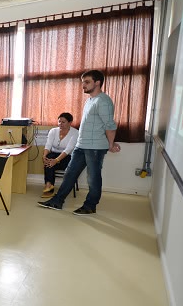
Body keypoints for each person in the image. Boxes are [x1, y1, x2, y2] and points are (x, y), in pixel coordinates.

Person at [38, 70, 121, 215]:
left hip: (95, 147)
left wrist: (110, 144)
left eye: (87, 82)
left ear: (97, 83)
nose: (83, 85)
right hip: (81, 145)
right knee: (70, 174)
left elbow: (110, 125)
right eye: (83, 82)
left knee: (93, 177)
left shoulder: (103, 101)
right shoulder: (90, 100)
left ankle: (90, 205)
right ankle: (57, 201)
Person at [41, 112, 79, 197]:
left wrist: (56, 160)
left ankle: (49, 187)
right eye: (59, 121)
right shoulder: (53, 131)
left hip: (67, 157)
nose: (60, 124)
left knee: (51, 163)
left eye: (63, 122)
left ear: (70, 122)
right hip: (53, 155)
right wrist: (44, 156)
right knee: (48, 160)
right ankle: (49, 185)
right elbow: (48, 145)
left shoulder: (75, 133)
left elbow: (68, 150)